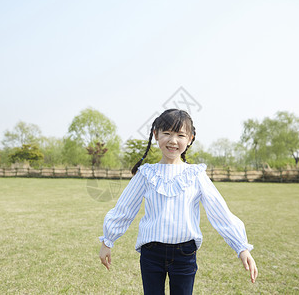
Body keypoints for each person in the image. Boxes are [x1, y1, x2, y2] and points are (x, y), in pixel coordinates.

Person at [99, 109, 258, 294]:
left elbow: (220, 211)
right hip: (151, 253)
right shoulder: (146, 174)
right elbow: (124, 209)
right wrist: (107, 241)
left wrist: (242, 247)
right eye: (166, 133)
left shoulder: (195, 175)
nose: (173, 140)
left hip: (185, 254)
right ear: (156, 134)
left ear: (190, 138)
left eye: (180, 135)